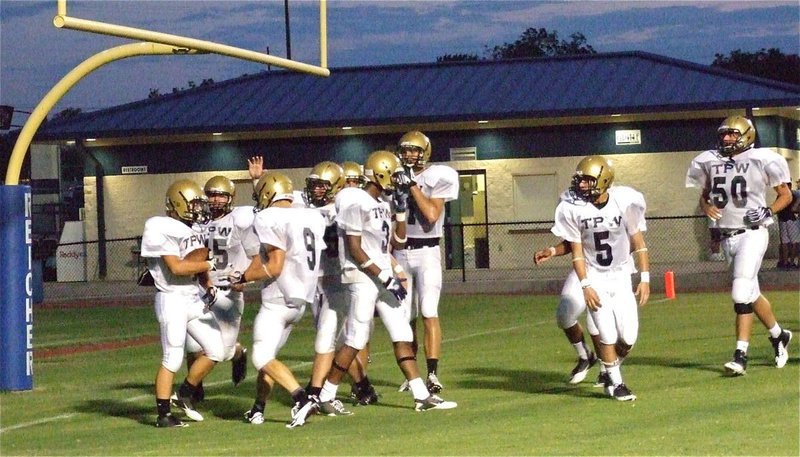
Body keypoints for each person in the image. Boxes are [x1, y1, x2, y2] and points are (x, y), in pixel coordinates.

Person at [291, 150, 457, 426]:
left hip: (380, 276)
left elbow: (399, 242)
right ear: (380, 173)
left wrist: (401, 210)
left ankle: (421, 395)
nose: (396, 181)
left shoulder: (380, 202)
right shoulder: (355, 200)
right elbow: (354, 249)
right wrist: (385, 275)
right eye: (392, 175)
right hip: (362, 277)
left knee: (402, 330)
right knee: (355, 337)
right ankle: (326, 394)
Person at [686, 115, 793, 375]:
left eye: (732, 134)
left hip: (753, 233)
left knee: (739, 292)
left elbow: (786, 195)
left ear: (747, 135)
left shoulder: (763, 158)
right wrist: (706, 205)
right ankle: (779, 335)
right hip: (728, 237)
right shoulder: (709, 160)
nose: (726, 139)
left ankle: (740, 355)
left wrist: (768, 211)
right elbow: (705, 195)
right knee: (750, 293)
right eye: (724, 134)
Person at [553, 155, 650, 401]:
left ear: (603, 179)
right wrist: (585, 285)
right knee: (605, 333)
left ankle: (609, 369)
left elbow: (639, 243)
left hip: (620, 275)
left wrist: (645, 277)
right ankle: (617, 383)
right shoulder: (572, 207)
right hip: (595, 275)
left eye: (587, 180)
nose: (582, 185)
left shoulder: (624, 201)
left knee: (628, 337)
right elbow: (577, 253)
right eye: (580, 180)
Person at [238, 171, 326, 428]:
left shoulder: (269, 217)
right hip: (300, 301)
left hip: (278, 299)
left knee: (261, 357)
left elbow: (274, 266)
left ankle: (302, 398)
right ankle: (258, 408)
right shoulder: (309, 215)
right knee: (270, 358)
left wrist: (243, 277)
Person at [140, 179, 224, 427]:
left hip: (192, 297)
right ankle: (163, 414)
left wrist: (208, 282)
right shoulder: (160, 225)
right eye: (194, 204)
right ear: (178, 203)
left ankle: (185, 392)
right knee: (172, 358)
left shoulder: (192, 229)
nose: (199, 209)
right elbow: (176, 267)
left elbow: (195, 265)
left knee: (217, 349)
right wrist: (208, 265)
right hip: (172, 299)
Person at [175, 176, 259, 405]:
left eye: (221, 195)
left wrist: (245, 280)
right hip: (202, 289)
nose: (216, 200)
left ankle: (238, 353)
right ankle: (194, 389)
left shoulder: (239, 220)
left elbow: (255, 256)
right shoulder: (197, 222)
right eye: (212, 194)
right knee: (193, 345)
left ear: (230, 198)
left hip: (229, 291)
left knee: (222, 351)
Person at [303, 161, 380, 406]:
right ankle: (362, 385)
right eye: (313, 185)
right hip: (315, 280)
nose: (316, 190)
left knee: (328, 339)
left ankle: (316, 392)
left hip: (337, 279)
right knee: (335, 341)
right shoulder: (303, 207)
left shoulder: (342, 209)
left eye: (322, 186)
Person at [392, 131, 459, 394]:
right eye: (405, 150)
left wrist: (411, 186)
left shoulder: (437, 175)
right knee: (405, 318)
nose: (409, 155)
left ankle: (432, 374)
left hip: (427, 251)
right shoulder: (394, 175)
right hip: (399, 253)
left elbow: (431, 215)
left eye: (414, 150)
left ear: (425, 152)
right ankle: (414, 376)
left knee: (429, 311)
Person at [534, 239, 603, 385]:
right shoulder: (580, 215)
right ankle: (586, 356)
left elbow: (634, 241)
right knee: (564, 314)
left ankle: (607, 370)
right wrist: (552, 251)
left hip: (609, 273)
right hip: (584, 270)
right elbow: (573, 239)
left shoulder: (621, 216)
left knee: (598, 322)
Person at [776, 181, 800, 270]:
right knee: (795, 242)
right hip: (791, 220)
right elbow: (794, 209)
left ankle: (786, 262)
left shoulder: (780, 196)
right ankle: (792, 262)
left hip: (782, 219)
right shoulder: (792, 195)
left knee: (785, 242)